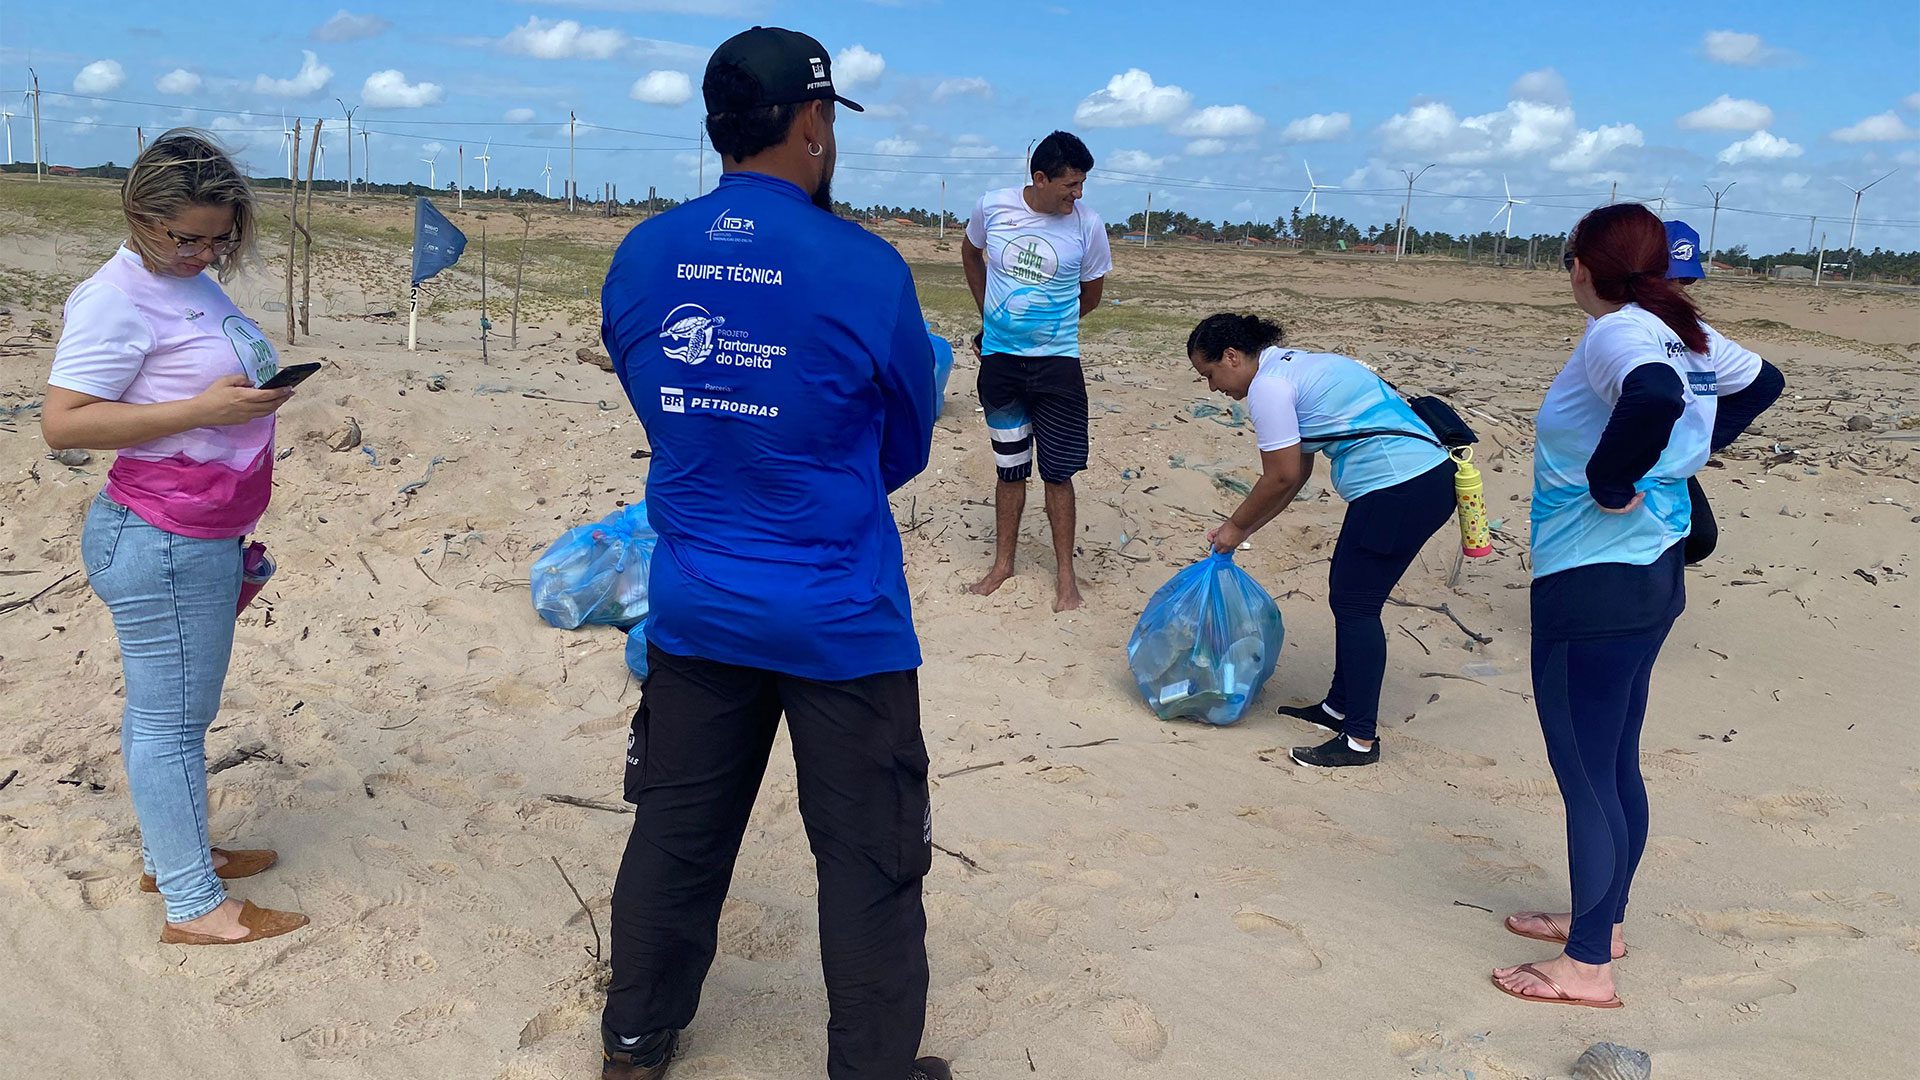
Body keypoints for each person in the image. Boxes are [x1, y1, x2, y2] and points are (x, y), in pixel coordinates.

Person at [596, 26, 949, 1080]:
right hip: (839, 615)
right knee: (870, 857)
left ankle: (634, 1042)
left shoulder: (644, 253)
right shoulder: (865, 265)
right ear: (812, 121)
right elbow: (906, 441)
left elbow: (656, 399)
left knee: (676, 832)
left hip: (698, 599)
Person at [1492, 203, 1777, 1009]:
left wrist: (1614, 478)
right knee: (1615, 761)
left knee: (1587, 773)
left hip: (1595, 580)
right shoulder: (1683, 329)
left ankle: (1587, 967)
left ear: (1583, 267)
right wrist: (1689, 455)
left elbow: (1651, 397)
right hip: (1653, 573)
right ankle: (1602, 924)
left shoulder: (1617, 331)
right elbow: (1763, 383)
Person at [40, 129, 308, 946]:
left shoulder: (187, 284)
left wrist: (247, 400)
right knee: (173, 723)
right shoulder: (113, 298)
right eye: (187, 237)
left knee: (170, 712)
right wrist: (204, 410)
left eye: (220, 239)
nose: (204, 253)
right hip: (161, 536)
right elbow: (63, 423)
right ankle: (193, 906)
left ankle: (174, 856)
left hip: (198, 530)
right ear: (139, 215)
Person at [1187, 314, 1456, 769]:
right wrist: (1245, 529)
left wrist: (1232, 527)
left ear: (1231, 356)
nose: (1213, 388)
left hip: (1399, 487)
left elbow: (1280, 476)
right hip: (1417, 482)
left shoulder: (1269, 387)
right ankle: (1337, 708)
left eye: (1209, 374)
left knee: (1357, 605)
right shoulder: (1294, 367)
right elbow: (1297, 473)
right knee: (1347, 597)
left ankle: (1360, 740)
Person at [962, 130, 1112, 612]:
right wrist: (991, 317)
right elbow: (970, 252)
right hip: (1000, 366)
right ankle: (1002, 564)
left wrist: (1048, 327)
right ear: (1041, 178)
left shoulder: (1089, 225)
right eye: (1070, 184)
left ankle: (1066, 578)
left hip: (1058, 369)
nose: (1078, 194)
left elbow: (1092, 294)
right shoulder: (992, 206)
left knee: (1059, 473)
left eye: (1082, 184)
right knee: (1009, 469)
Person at [1659, 220, 1786, 563]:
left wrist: (1693, 446)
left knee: (1698, 538)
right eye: (1663, 276)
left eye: (1684, 279)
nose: (1673, 288)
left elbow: (1767, 382)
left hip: (1652, 452)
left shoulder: (1694, 332)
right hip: (1604, 447)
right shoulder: (1618, 321)